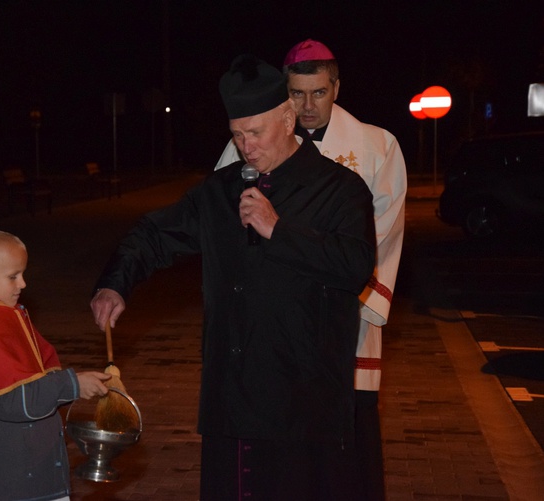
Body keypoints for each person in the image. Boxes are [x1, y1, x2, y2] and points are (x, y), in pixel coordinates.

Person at [90, 54, 376, 500]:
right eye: (237, 135)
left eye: (256, 133)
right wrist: (115, 282)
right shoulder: (220, 190)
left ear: (288, 118)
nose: (247, 147)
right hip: (234, 395)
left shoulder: (339, 188)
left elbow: (355, 266)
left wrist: (278, 230)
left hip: (303, 402)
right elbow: (154, 233)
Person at [215, 39, 407, 500]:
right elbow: (224, 216)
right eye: (296, 94)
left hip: (346, 310)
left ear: (336, 87)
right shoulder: (249, 141)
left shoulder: (376, 146)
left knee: (342, 441)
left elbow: (383, 232)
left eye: (318, 92)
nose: (307, 106)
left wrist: (345, 295)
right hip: (278, 319)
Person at [0, 227, 110, 501]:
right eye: (13, 276)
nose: (23, 284)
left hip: (33, 476)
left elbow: (35, 380)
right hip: (15, 484)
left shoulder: (6, 317)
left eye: (22, 274)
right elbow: (12, 400)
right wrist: (72, 384)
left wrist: (72, 385)